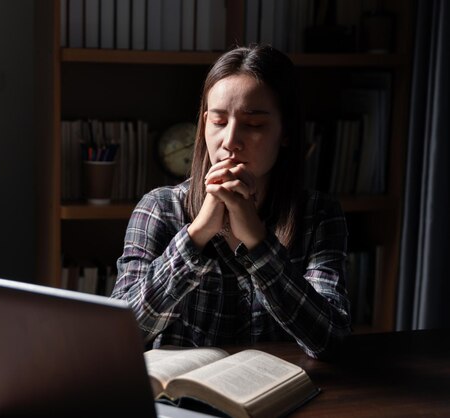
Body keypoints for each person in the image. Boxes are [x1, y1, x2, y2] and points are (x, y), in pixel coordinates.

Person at [110, 45, 351, 359]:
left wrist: (257, 241)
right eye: (219, 122)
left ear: (286, 131)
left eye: (253, 125)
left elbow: (332, 342)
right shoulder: (160, 208)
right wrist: (197, 235)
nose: (230, 142)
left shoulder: (317, 214)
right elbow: (118, 336)